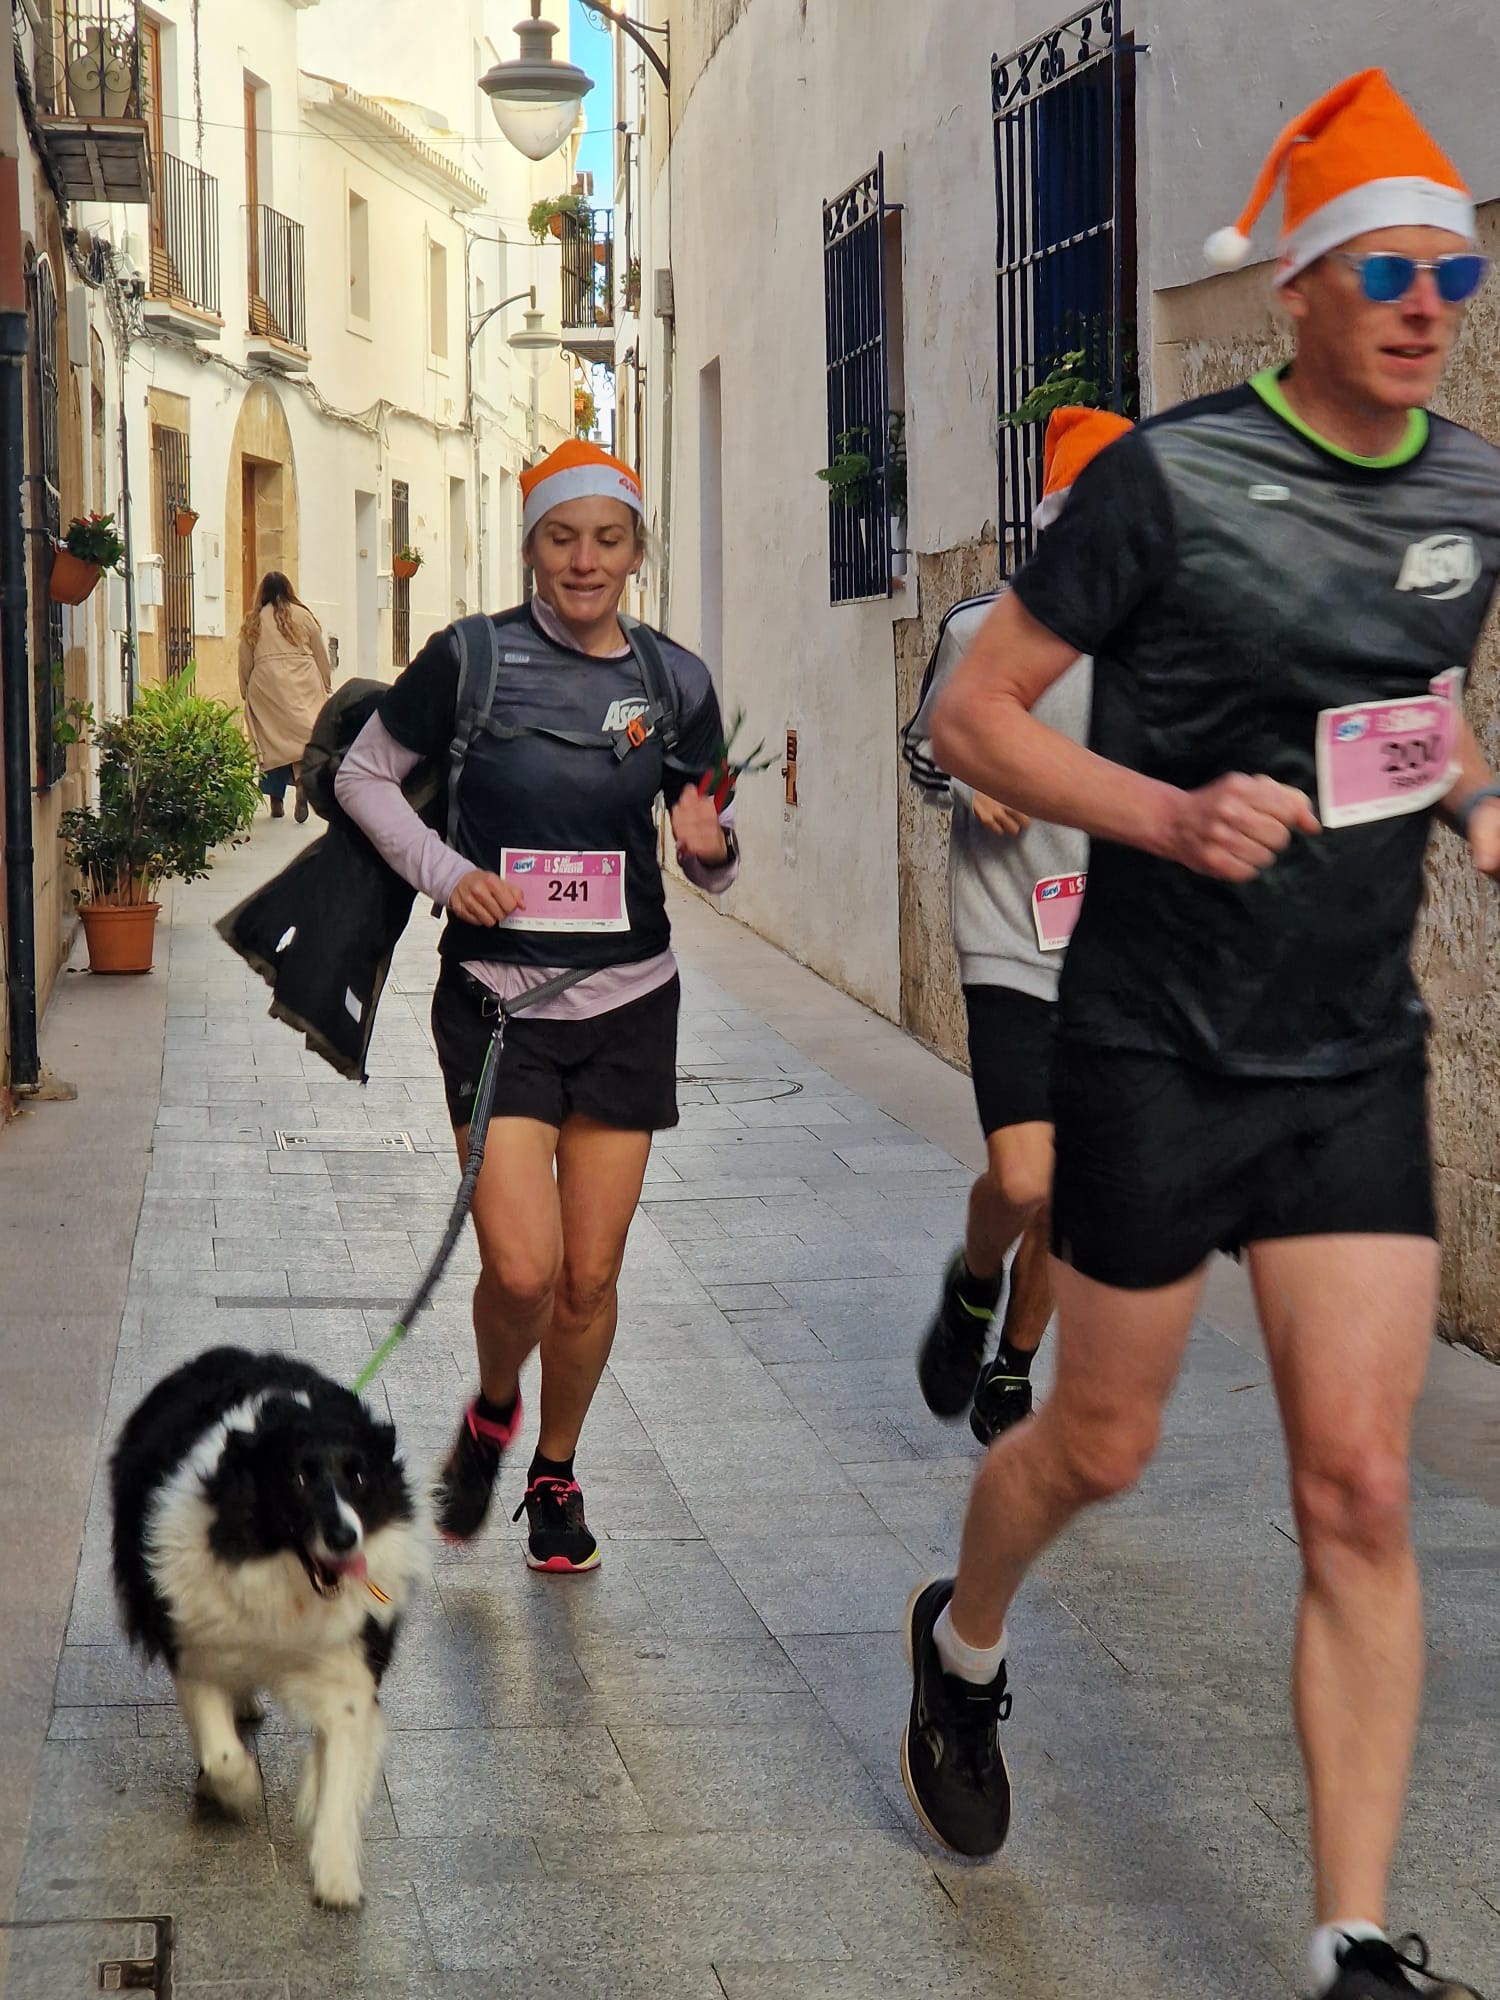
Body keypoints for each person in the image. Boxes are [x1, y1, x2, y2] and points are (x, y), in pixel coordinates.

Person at [902, 70, 1500, 2000]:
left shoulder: (1474, 488)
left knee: (1359, 1486)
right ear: (1302, 291)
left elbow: (1418, 698)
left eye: (1458, 270)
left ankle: (1348, 1937)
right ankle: (963, 1647)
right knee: (1099, 1444)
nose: (1429, 302)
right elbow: (976, 718)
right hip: (1152, 1041)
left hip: (1351, 1059)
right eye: (1390, 268)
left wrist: (1480, 807)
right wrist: (1164, 813)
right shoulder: (1163, 480)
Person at [335, 440, 738, 1574]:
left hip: (627, 1002)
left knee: (590, 1274)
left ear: (636, 551)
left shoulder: (676, 683)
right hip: (496, 1004)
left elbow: (707, 844)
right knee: (520, 1268)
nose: (585, 560)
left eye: (608, 539)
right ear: (531, 548)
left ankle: (553, 1467)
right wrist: (441, 870)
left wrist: (710, 845)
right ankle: (494, 1404)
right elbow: (361, 776)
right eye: (563, 537)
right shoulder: (469, 660)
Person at [906, 406, 1131, 1447]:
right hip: (1010, 935)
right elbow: (920, 752)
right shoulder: (977, 631)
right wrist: (965, 776)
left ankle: (1012, 1367)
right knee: (1027, 1174)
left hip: (1123, 951)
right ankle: (976, 1276)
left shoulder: (1167, 648)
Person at [239, 571, 332, 822]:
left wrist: (246, 689)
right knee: (303, 739)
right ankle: (302, 783)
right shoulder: (304, 616)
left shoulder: (254, 620)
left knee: (272, 741)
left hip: (267, 686)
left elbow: (245, 660)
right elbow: (320, 653)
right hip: (303, 680)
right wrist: (325, 682)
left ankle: (276, 801)